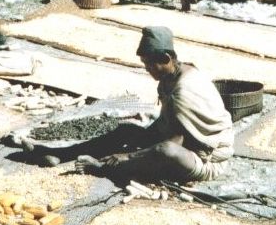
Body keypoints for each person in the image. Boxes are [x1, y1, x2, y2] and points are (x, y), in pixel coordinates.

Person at [17, 26, 234, 183]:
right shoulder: (171, 77)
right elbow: (163, 124)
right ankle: (61, 154)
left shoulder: (184, 90)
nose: (147, 69)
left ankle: (103, 168)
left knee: (164, 151)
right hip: (182, 143)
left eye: (150, 64)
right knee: (126, 131)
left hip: (206, 160)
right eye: (145, 64)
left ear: (167, 58)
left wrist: (129, 156)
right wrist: (135, 141)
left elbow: (176, 141)